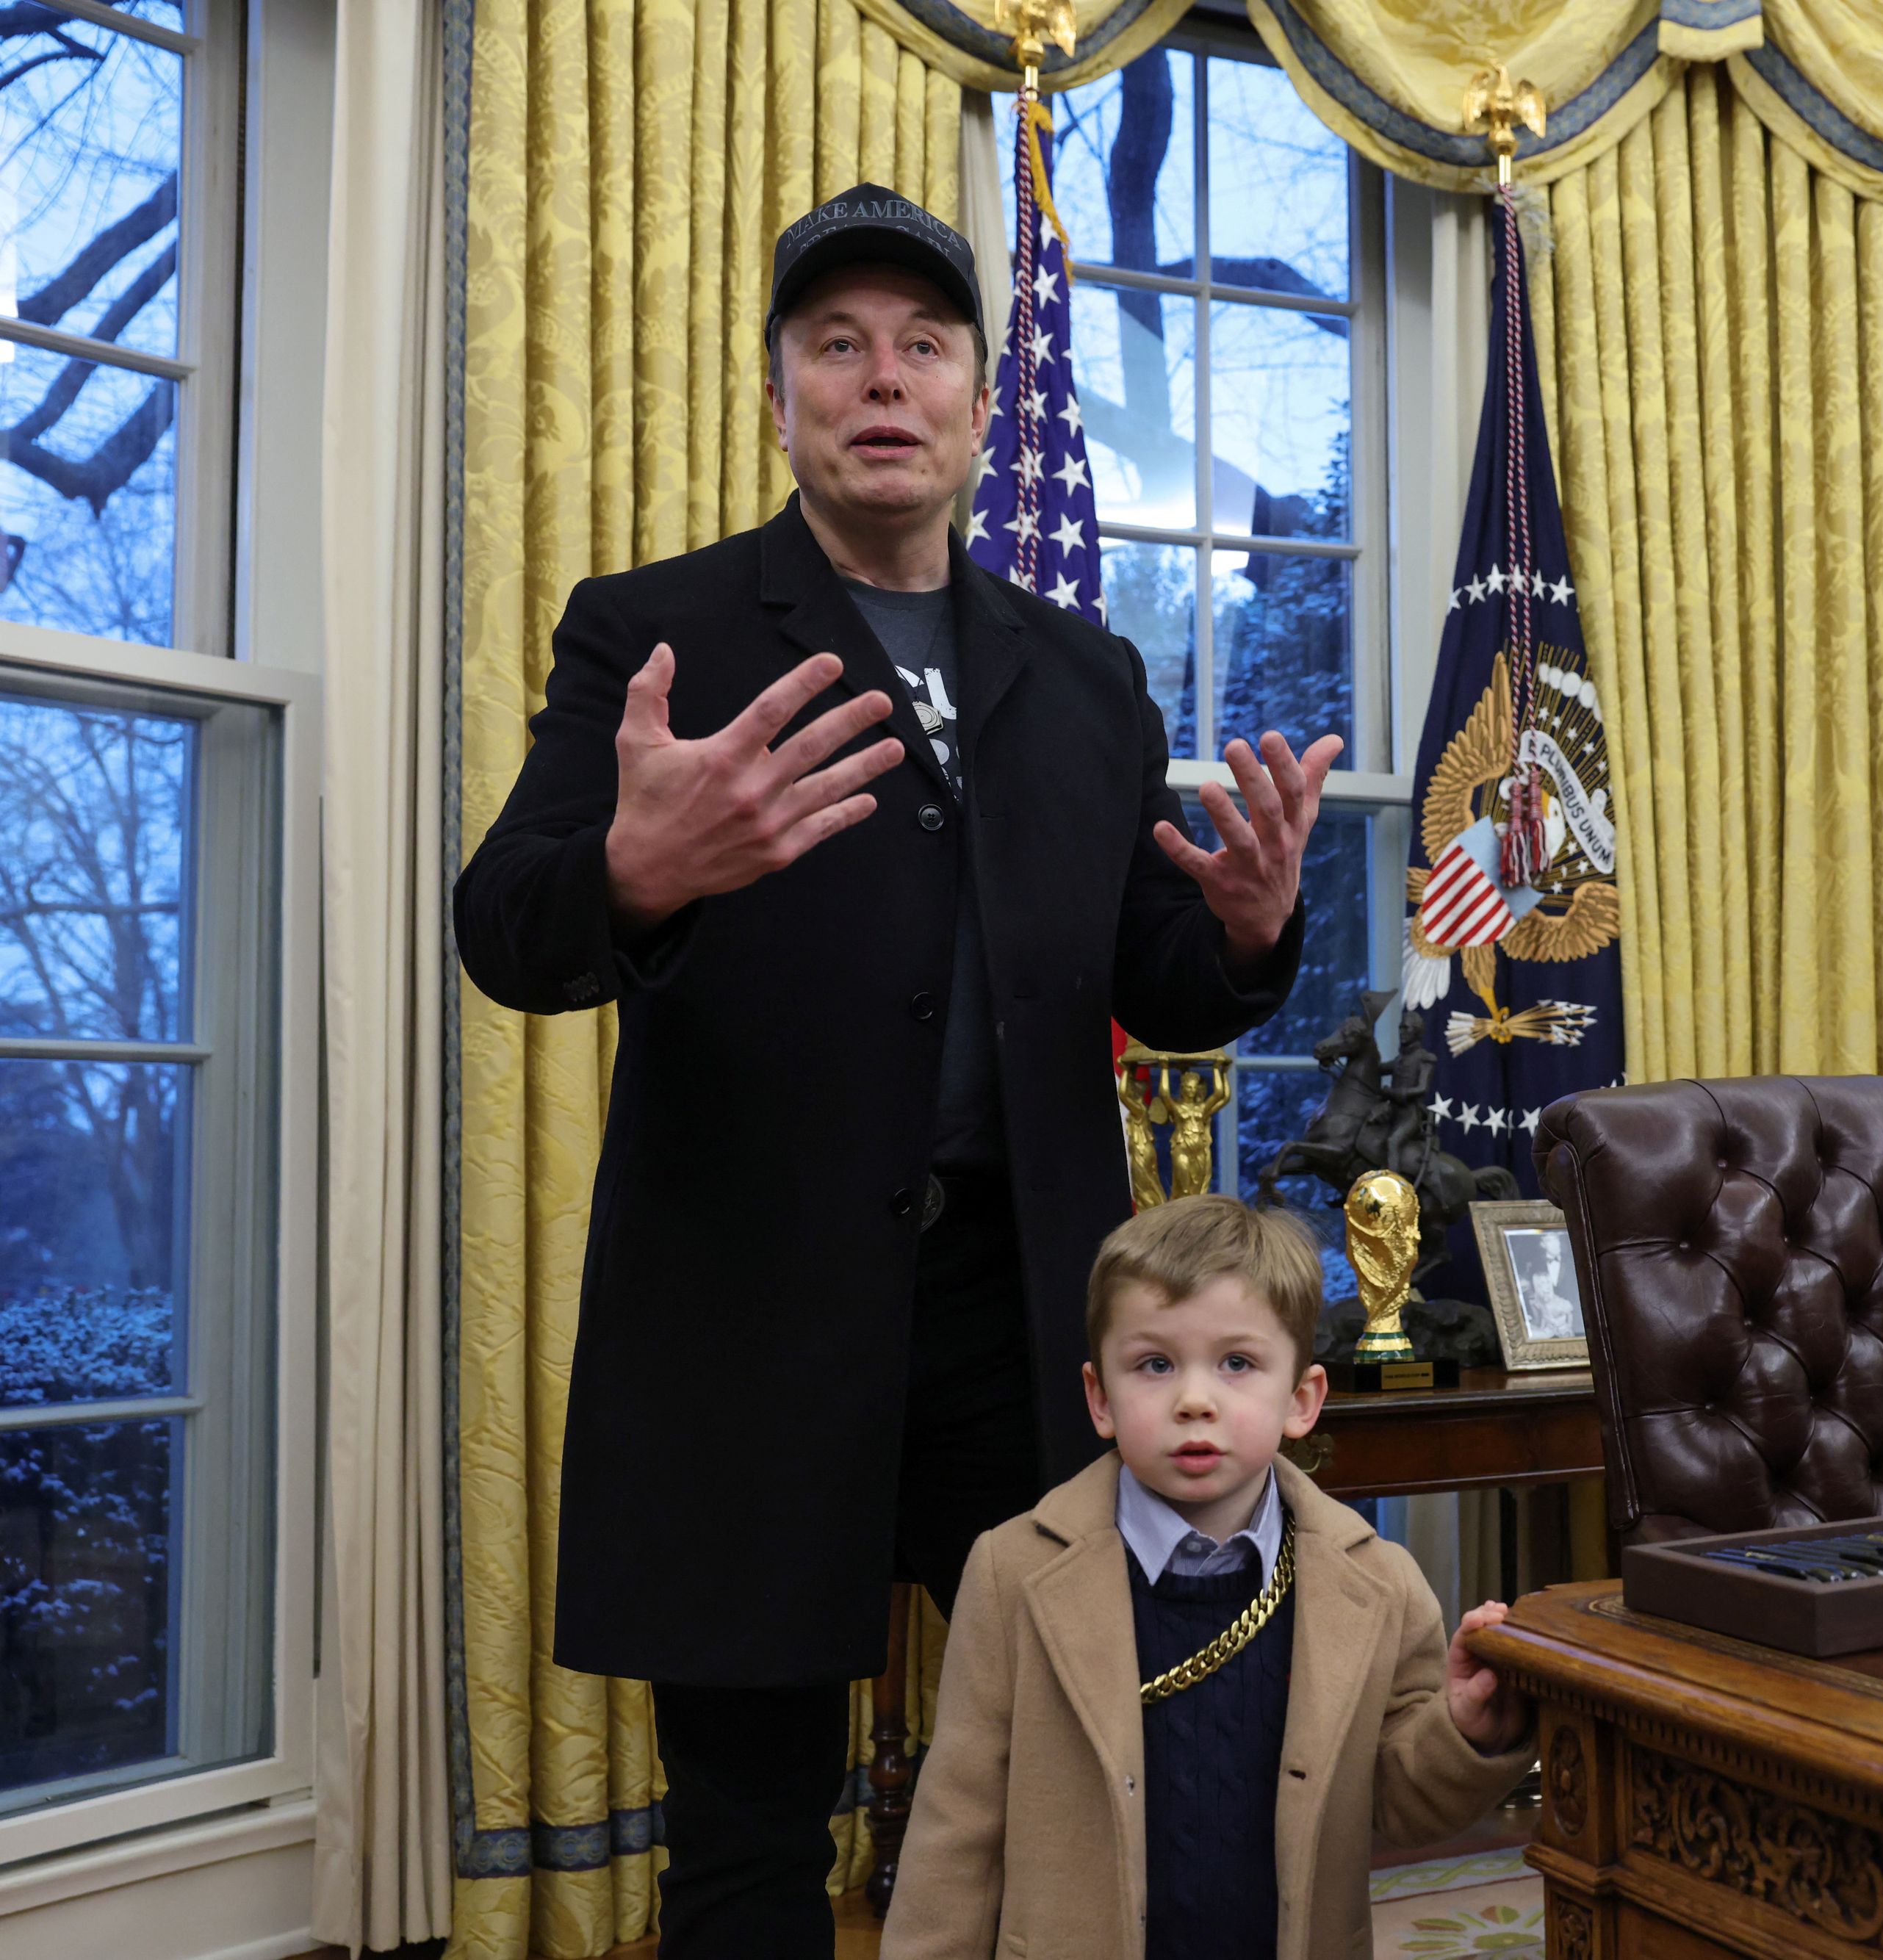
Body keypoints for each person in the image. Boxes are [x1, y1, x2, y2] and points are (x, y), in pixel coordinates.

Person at [452, 184, 1341, 1954]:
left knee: (1085, 1783)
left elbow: (1149, 983)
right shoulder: (658, 635)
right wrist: (638, 870)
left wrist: (1245, 929)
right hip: (747, 1322)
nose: (881, 380)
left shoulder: (1086, 676)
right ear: (777, 393)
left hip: (1014, 1324)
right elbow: (504, 926)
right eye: (834, 345)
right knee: (750, 1845)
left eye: (922, 346)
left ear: (975, 401)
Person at [883, 1195, 1538, 1959]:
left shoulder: (1380, 1584)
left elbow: (1400, 1799)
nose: (1195, 1400)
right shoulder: (1012, 1572)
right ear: (1100, 1398)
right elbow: (954, 1834)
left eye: (1237, 1363)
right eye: (1154, 1364)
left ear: (1302, 1400)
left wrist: (1461, 1729)